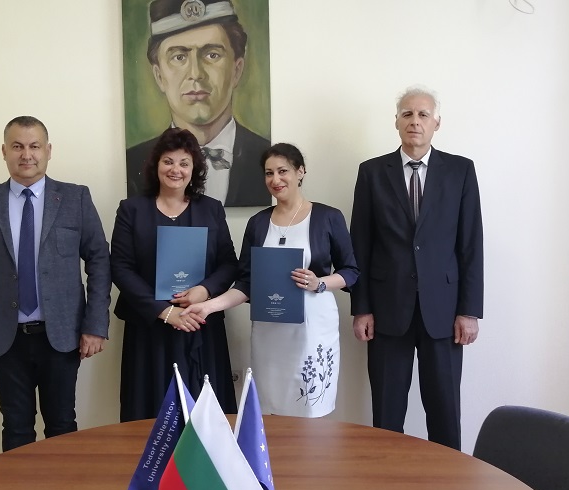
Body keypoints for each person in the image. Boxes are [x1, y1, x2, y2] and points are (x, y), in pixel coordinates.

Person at [0, 116, 111, 452]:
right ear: (4, 151)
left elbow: (99, 259)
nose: (27, 155)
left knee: (62, 425)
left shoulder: (75, 198)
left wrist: (95, 325)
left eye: (34, 146)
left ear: (48, 150)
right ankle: (18, 489)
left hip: (62, 336)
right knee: (16, 428)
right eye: (17, 146)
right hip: (6, 338)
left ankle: (64, 487)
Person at [350, 86, 484, 450]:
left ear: (436, 123)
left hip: (444, 311)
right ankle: (387, 477)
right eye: (407, 114)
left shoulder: (460, 171)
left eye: (423, 114)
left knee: (444, 411)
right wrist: (361, 308)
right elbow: (360, 245)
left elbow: (470, 245)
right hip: (387, 309)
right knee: (387, 412)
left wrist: (469, 311)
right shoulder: (372, 172)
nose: (415, 121)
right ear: (396, 122)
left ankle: (448, 478)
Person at [182, 143, 359, 417]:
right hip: (269, 331)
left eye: (282, 171)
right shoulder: (258, 222)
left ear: (300, 171)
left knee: (310, 408)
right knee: (269, 409)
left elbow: (350, 271)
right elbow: (246, 283)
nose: (275, 179)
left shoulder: (328, 217)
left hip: (312, 328)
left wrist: (320, 283)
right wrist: (208, 306)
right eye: (268, 173)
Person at [112, 127, 238, 421]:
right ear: (156, 165)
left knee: (205, 417)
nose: (175, 170)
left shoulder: (211, 209)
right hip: (149, 328)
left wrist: (204, 291)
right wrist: (165, 312)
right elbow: (120, 267)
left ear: (194, 169)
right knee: (152, 416)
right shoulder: (131, 210)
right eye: (168, 161)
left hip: (200, 323)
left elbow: (229, 264)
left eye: (184, 163)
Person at [126, 0, 270, 207]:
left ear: (237, 70)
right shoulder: (132, 164)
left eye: (212, 55)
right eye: (179, 57)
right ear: (159, 76)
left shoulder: (267, 159)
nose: (195, 74)